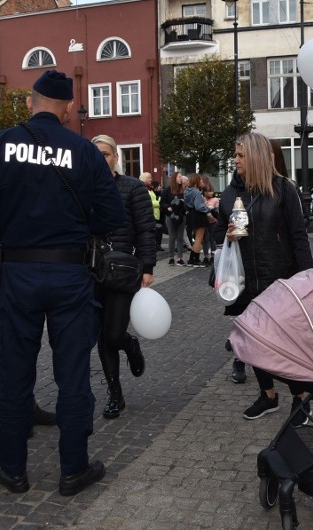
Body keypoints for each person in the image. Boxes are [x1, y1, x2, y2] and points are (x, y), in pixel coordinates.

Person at [0, 70, 125, 496]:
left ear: (31, 101)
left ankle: (13, 470)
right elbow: (111, 217)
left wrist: (14, 228)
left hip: (16, 272)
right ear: (68, 107)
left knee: (15, 373)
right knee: (72, 375)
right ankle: (73, 469)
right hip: (70, 273)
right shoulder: (84, 152)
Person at [215, 133, 313, 426]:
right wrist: (226, 234)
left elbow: (299, 237)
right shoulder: (231, 194)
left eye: (241, 155)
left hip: (279, 278)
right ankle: (268, 394)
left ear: (256, 157)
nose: (235, 160)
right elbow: (219, 232)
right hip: (244, 280)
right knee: (252, 342)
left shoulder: (283, 189)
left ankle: (301, 397)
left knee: (286, 343)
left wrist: (309, 278)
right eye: (235, 155)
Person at [92, 135, 156, 419]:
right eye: (96, 154)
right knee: (102, 338)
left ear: (115, 157)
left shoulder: (133, 188)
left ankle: (130, 344)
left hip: (122, 271)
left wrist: (148, 268)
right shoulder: (82, 189)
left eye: (106, 153)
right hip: (90, 272)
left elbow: (145, 230)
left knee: (115, 333)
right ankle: (115, 395)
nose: (101, 158)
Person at [0, 235, 57, 439]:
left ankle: (28, 406)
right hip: (5, 286)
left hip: (22, 285)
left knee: (22, 355)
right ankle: (2, 418)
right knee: (10, 357)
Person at [183, 172, 213, 268]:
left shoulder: (187, 191)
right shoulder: (196, 191)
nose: (202, 181)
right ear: (196, 181)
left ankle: (192, 258)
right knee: (199, 239)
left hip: (192, 215)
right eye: (200, 180)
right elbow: (199, 206)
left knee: (197, 238)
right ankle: (195, 259)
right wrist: (208, 209)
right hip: (199, 215)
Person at [160, 172, 187, 266]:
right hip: (170, 216)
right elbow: (162, 202)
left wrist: (184, 205)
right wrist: (168, 207)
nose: (181, 179)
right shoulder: (167, 190)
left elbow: (187, 203)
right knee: (172, 237)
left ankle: (179, 258)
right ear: (175, 178)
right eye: (179, 177)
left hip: (181, 216)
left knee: (180, 237)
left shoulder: (183, 190)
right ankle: (171, 258)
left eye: (181, 177)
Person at [139, 171, 163, 252]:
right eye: (149, 178)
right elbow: (147, 201)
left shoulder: (150, 188)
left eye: (151, 177)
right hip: (148, 214)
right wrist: (158, 203)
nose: (151, 179)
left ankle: (155, 245)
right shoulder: (143, 188)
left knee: (155, 231)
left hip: (154, 213)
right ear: (144, 179)